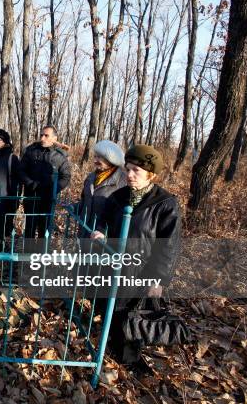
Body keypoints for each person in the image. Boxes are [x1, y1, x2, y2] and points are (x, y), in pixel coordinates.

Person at [90, 144, 182, 371]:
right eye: (128, 169)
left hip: (141, 271)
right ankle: (110, 347)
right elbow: (103, 219)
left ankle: (129, 361)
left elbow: (168, 246)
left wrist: (158, 279)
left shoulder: (165, 203)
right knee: (110, 308)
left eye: (136, 171)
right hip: (113, 266)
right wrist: (100, 231)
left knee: (132, 315)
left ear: (150, 174)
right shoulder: (119, 196)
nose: (129, 175)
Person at [20, 125, 71, 238]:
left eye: (46, 135)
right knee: (29, 229)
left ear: (54, 138)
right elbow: (21, 171)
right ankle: (29, 254)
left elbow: (66, 177)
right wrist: (30, 184)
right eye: (41, 135)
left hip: (48, 200)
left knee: (45, 231)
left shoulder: (60, 156)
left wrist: (53, 189)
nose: (42, 138)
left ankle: (42, 255)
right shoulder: (31, 151)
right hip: (31, 197)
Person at [78, 140, 127, 237]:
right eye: (95, 156)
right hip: (85, 231)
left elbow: (122, 213)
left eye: (99, 157)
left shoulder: (123, 181)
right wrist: (74, 208)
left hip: (103, 237)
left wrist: (105, 233)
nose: (95, 160)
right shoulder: (91, 177)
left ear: (111, 159)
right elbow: (85, 200)